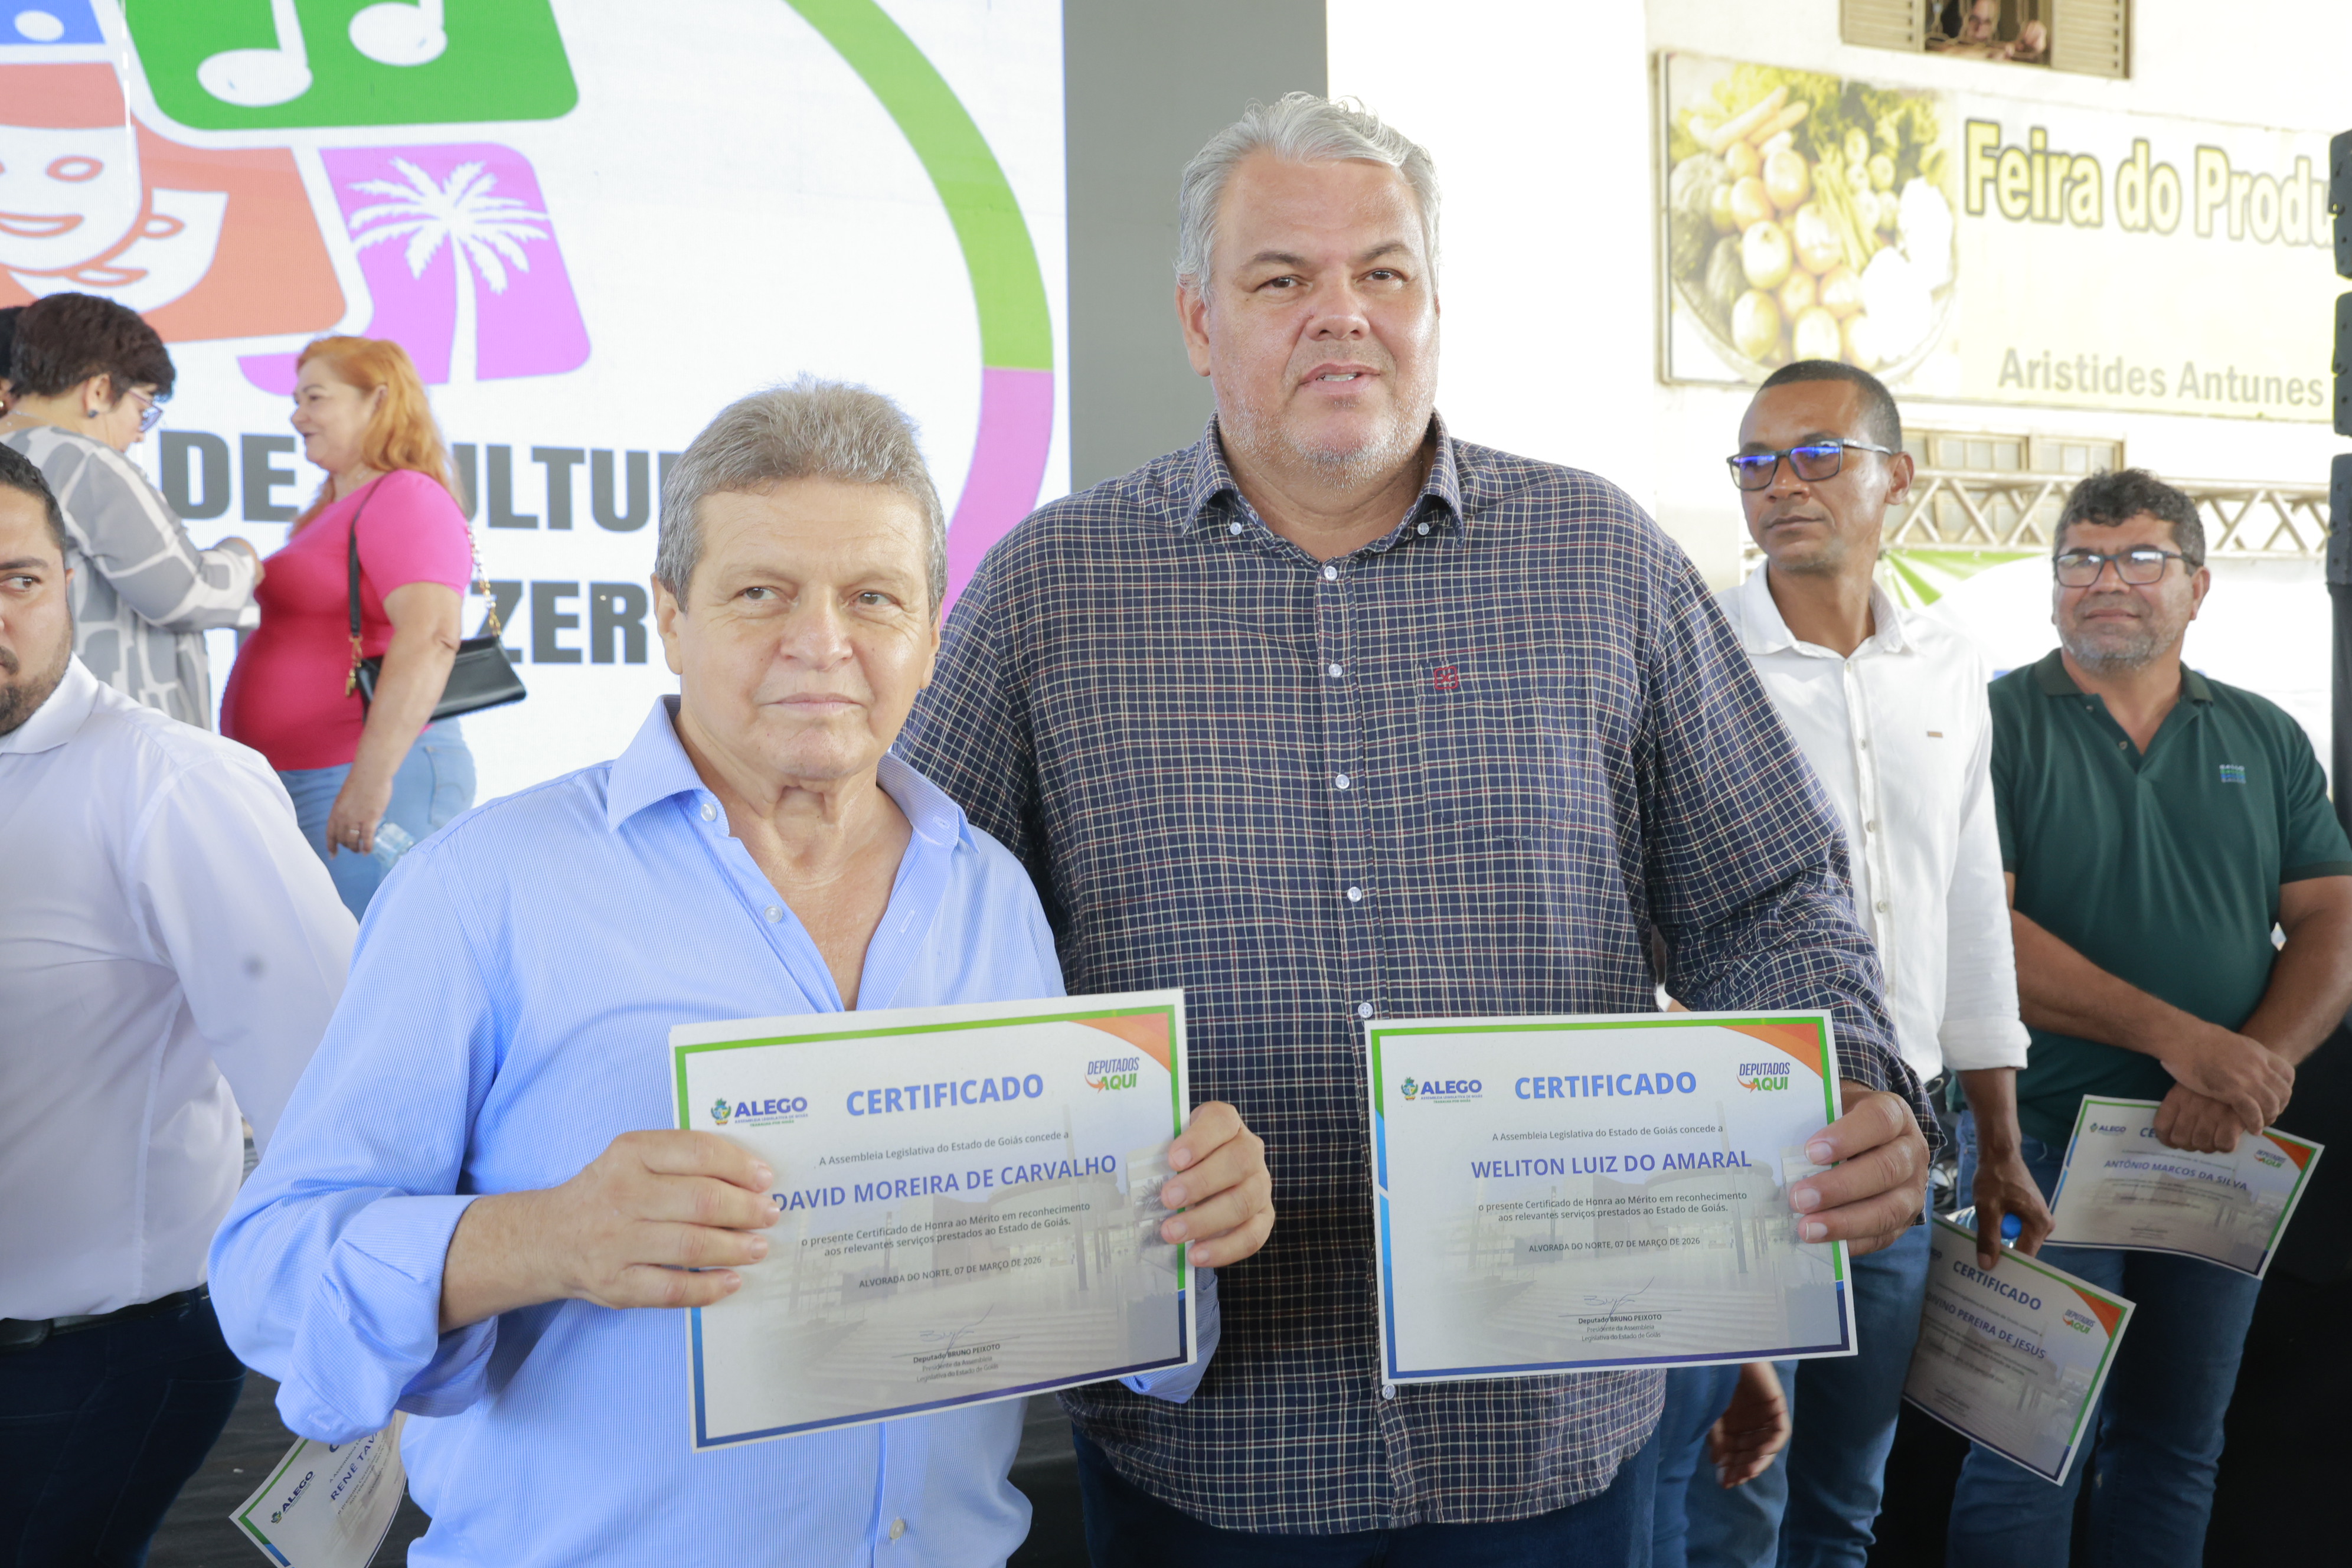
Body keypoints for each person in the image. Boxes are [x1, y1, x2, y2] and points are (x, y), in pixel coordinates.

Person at [893, 94, 1935, 1566]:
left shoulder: (1601, 560)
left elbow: (1766, 895)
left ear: (1434, 306)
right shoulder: (1047, 593)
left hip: (1553, 1424)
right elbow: (918, 954)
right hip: (1212, 1446)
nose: (1344, 315)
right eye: (1282, 278)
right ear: (1198, 320)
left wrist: (1857, 1079)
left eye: (1383, 272)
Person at [210, 380, 1276, 1568]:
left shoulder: (988, 889)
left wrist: (1176, 1226)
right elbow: (268, 1279)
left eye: (872, 598)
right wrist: (544, 1238)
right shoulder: (484, 888)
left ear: (931, 634)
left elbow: (1077, 1285)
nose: (821, 643)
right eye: (761, 592)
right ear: (669, 617)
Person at [1652, 361, 2046, 1568]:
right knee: (1732, 1501)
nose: (1782, 485)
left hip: (1901, 1138)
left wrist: (1998, 1137)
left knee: (1844, 1504)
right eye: (1755, 463)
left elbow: (1967, 901)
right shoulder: (1693, 655)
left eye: (1817, 455)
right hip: (1737, 1137)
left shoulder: (1947, 663)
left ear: (1895, 477)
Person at [1945, 468, 2352, 1567]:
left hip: (2218, 1148)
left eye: (2139, 558)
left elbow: (2333, 918)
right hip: (2036, 1143)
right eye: (2080, 558)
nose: (2105, 581)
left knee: (2177, 1445)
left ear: (2196, 586)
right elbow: (1979, 934)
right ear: (2052, 587)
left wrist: (2248, 1067)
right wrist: (2185, 1043)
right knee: (2024, 1449)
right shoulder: (1987, 725)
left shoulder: (2264, 735)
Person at [0, 444, 354, 1563]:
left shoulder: (171, 784)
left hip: (79, 1363)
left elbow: (337, 1088)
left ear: (69, 586)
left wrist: (375, 1355)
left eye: (17, 579)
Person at [220, 335, 479, 917]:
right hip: (308, 780)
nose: (297, 416)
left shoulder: (406, 495)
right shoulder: (333, 511)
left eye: (315, 398)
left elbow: (433, 635)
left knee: (385, 956)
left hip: (369, 775)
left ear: (378, 400)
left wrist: (369, 779)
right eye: (296, 400)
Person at [0, 290, 262, 726]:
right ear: (100, 390)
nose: (140, 433)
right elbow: (181, 596)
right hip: (107, 735)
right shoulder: (84, 461)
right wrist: (242, 560)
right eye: (143, 407)